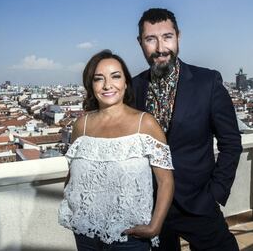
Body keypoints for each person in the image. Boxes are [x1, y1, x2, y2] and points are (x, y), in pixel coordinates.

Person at [132, 8, 243, 251]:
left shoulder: (208, 82)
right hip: (150, 206)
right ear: (140, 42)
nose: (161, 47)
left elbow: (231, 142)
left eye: (167, 36)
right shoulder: (132, 88)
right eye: (151, 39)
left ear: (178, 37)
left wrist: (215, 192)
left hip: (198, 203)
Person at [58, 50, 175, 251]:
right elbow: (73, 176)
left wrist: (155, 226)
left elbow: (166, 181)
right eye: (98, 79)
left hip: (130, 236)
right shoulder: (81, 125)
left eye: (115, 76)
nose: (107, 85)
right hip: (86, 232)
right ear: (91, 85)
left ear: (126, 82)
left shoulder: (145, 124)